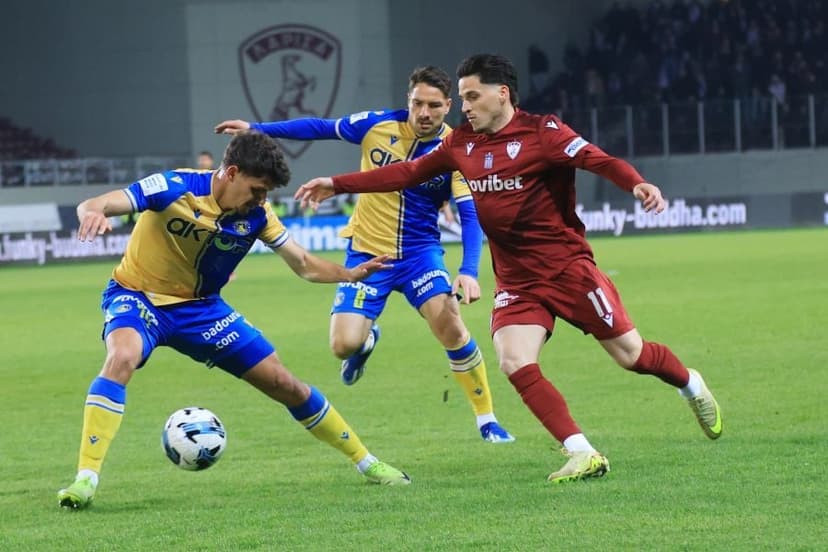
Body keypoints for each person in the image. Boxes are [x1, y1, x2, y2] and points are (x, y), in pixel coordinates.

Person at [294, 54, 723, 484]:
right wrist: (337, 183)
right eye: (463, 98)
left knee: (632, 356)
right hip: (517, 279)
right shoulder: (462, 143)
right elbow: (407, 173)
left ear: (502, 94)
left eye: (472, 97)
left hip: (567, 270)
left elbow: (599, 160)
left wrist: (636, 183)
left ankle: (690, 384)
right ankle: (582, 452)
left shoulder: (543, 133)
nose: (465, 107)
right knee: (514, 360)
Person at [57, 131, 410, 510]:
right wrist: (92, 211)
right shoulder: (174, 186)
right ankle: (86, 478)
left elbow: (304, 264)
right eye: (257, 189)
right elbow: (101, 202)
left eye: (266, 192)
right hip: (138, 296)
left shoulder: (258, 216)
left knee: (285, 383)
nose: (261, 199)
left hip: (202, 309)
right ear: (232, 173)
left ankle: (367, 462)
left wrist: (349, 274)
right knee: (122, 357)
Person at [215, 66, 514, 443]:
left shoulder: (457, 150)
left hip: (419, 255)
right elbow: (321, 127)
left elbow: (470, 215)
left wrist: (468, 270)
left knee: (450, 324)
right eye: (417, 103)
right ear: (408, 100)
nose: (424, 113)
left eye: (434, 106)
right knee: (343, 346)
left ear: (448, 106)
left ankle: (487, 420)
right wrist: (257, 128)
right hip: (367, 253)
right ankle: (366, 342)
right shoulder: (376, 125)